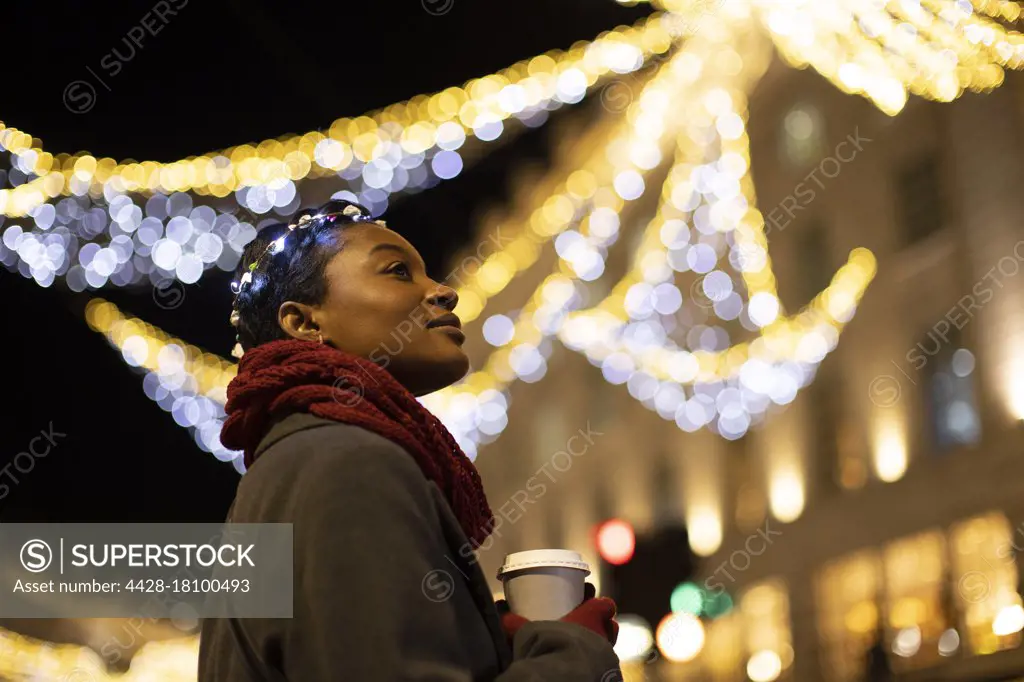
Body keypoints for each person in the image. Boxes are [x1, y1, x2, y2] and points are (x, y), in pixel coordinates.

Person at [197, 199, 622, 681]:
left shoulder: (301, 458)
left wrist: (488, 646)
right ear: (305, 323)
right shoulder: (346, 462)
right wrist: (577, 652)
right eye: (398, 272)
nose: (444, 292)